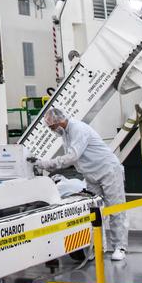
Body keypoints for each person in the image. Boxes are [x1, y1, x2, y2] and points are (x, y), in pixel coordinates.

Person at [32, 106, 128, 260]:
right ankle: (96, 247)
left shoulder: (78, 129)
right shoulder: (65, 133)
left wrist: (45, 164)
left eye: (51, 127)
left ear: (59, 122)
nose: (51, 130)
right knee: (93, 212)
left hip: (108, 170)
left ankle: (120, 247)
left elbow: (72, 157)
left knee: (116, 209)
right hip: (91, 175)